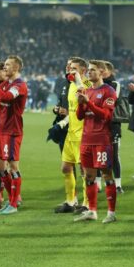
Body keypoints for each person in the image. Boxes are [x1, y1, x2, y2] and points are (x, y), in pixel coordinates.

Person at [74, 60, 117, 223]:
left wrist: (88, 103)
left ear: (101, 72)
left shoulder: (108, 91)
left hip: (101, 140)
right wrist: (80, 104)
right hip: (86, 139)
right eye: (88, 70)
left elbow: (106, 116)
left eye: (92, 70)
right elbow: (79, 116)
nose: (89, 73)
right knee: (89, 176)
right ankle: (92, 211)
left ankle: (111, 213)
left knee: (107, 175)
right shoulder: (86, 90)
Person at [0, 55, 28, 215]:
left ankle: (14, 204)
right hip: (1, 131)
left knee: (13, 166)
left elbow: (5, 97)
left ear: (16, 68)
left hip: (12, 131)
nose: (4, 68)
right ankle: (12, 199)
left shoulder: (19, 85)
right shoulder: (6, 83)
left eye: (8, 65)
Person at [54, 57, 91, 214]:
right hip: (70, 133)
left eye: (73, 68)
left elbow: (87, 104)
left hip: (83, 134)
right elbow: (71, 110)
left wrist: (78, 82)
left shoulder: (88, 85)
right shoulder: (70, 86)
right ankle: (71, 201)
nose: (69, 70)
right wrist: (61, 123)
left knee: (85, 171)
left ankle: (87, 204)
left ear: (83, 70)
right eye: (69, 67)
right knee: (65, 167)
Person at [102, 61, 125, 193]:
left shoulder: (115, 84)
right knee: (99, 156)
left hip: (113, 124)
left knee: (114, 155)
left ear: (110, 71)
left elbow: (112, 98)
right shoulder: (93, 83)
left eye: (104, 70)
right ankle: (98, 185)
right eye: (100, 70)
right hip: (98, 126)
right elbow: (83, 88)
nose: (101, 72)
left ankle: (118, 185)